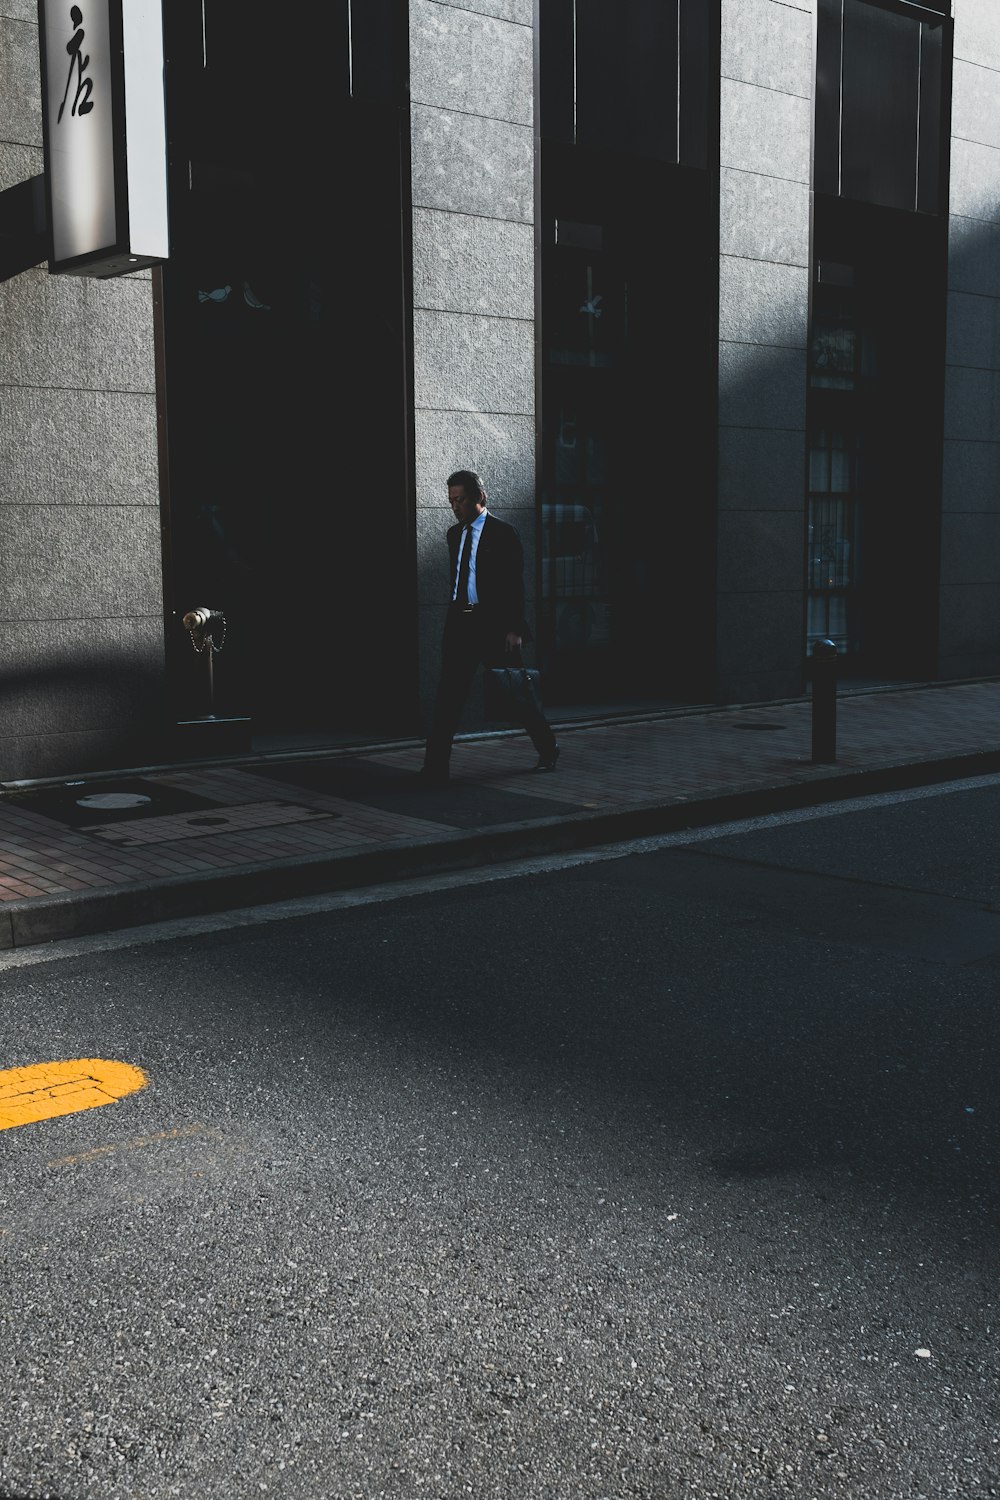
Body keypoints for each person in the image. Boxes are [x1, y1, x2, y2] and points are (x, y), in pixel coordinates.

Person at [419, 469, 559, 785]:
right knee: (447, 698)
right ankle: (435, 769)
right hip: (460, 624)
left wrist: (514, 628)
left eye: (460, 500)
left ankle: (548, 747)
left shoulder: (503, 533)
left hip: (493, 627)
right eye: (451, 501)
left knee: (517, 692)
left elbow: (514, 584)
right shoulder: (454, 534)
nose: (455, 507)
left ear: (479, 497)